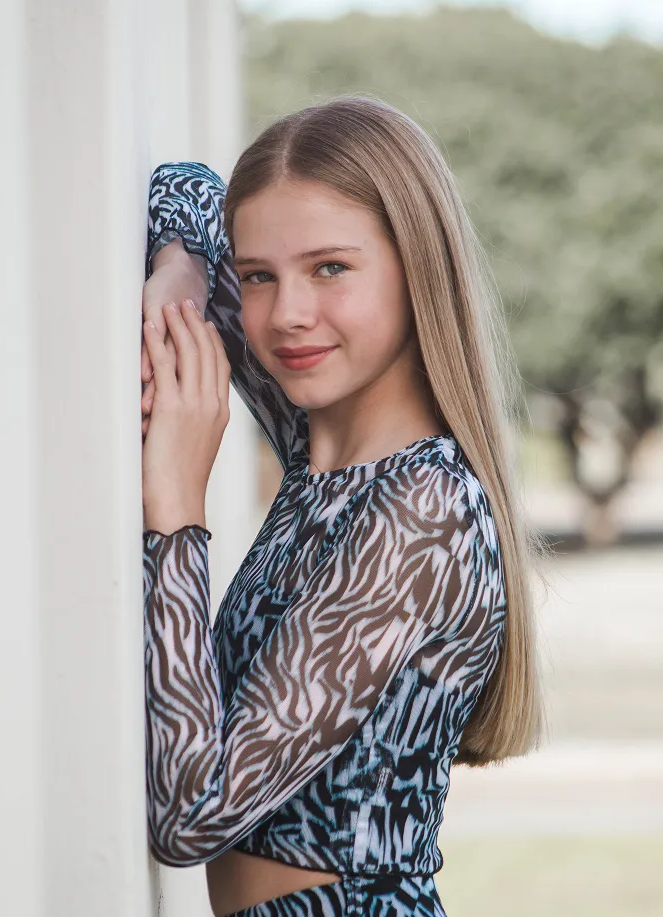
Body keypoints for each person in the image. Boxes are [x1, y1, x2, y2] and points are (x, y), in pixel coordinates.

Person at [139, 95, 544, 917]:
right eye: (258, 275)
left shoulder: (422, 509)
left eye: (331, 267)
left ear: (416, 265)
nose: (287, 313)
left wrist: (176, 506)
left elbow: (192, 813)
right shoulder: (316, 450)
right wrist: (181, 273)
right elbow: (180, 186)